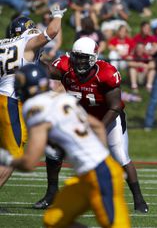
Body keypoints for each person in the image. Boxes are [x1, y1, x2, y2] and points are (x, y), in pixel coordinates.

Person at [0, 64, 131, 228]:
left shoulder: (34, 108)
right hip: (89, 174)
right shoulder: (63, 98)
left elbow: (29, 163)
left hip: (101, 174)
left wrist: (6, 158)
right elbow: (97, 126)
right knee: (54, 221)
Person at [35, 37, 149, 213]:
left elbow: (115, 106)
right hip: (80, 118)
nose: (79, 61)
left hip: (108, 118)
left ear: (93, 58)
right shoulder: (66, 66)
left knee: (120, 156)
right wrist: (35, 58)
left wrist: (99, 129)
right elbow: (49, 71)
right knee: (53, 150)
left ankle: (139, 200)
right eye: (77, 57)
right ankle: (51, 194)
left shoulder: (106, 73)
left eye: (84, 57)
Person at [0, 4, 66, 188]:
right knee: (13, 157)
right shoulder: (25, 43)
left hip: (6, 99)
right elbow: (52, 31)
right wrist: (58, 14)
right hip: (11, 102)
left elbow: (40, 67)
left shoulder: (3, 45)